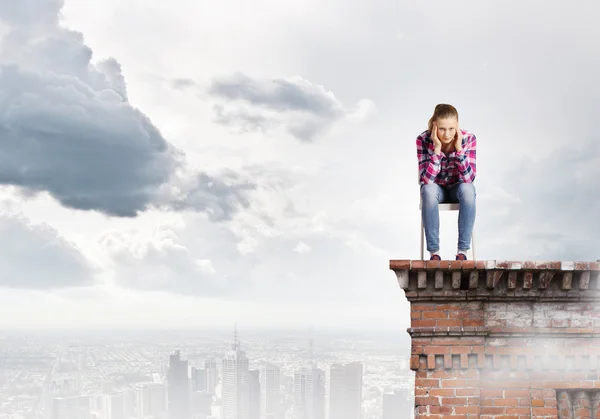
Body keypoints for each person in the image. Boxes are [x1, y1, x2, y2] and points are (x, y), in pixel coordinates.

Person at [416, 104, 476, 261]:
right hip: (437, 190)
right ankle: (434, 254)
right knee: (428, 190)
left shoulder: (469, 139)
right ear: (435, 125)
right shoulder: (423, 140)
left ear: (457, 125)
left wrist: (459, 150)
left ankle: (462, 252)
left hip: (458, 189)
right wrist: (437, 150)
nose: (447, 134)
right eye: (442, 129)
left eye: (451, 128)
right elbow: (427, 181)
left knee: (469, 190)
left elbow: (469, 179)